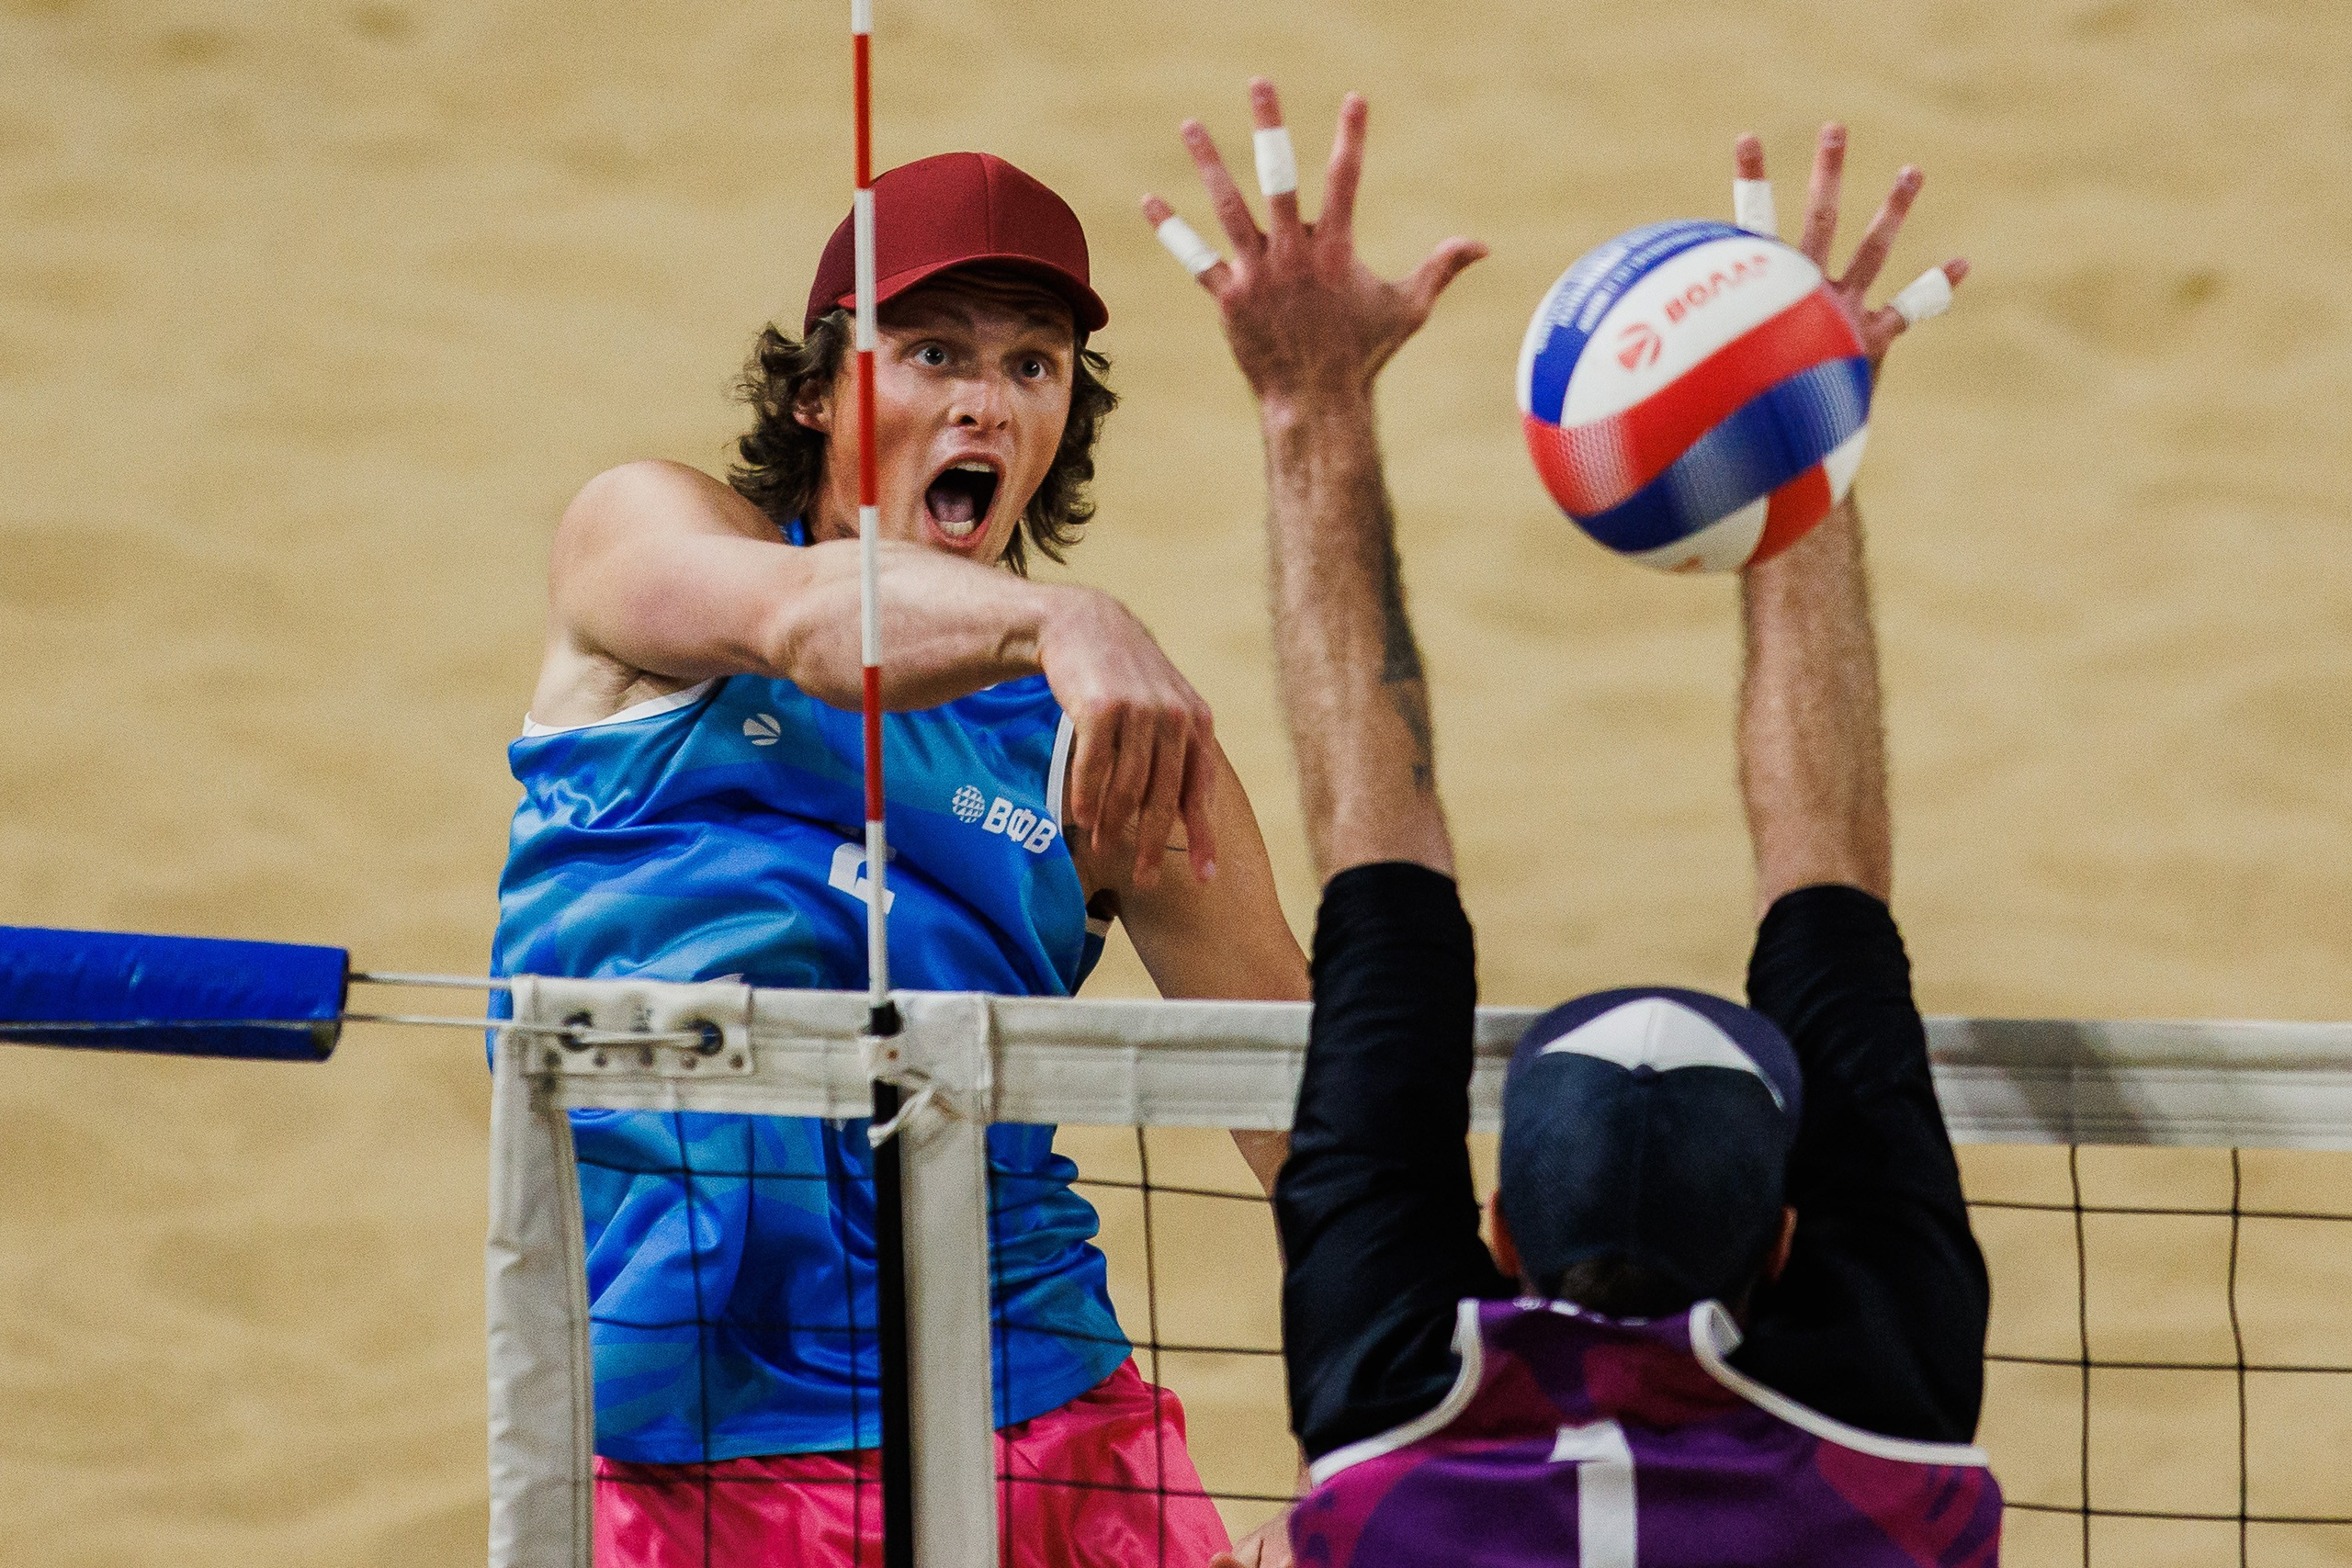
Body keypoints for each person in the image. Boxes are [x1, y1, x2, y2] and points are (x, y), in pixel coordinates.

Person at [1148, 83, 2003, 1564]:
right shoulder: (1884, 1437)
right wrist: (1794, 439)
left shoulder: (1393, 1433)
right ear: (1786, 1247)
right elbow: (1832, 897)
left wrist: (1310, 407)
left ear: (1496, 1241)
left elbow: (1380, 879)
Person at [494, 151, 1306, 1568]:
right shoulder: (653, 543)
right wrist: (1065, 619)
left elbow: (1303, 1101)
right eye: (933, 352)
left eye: (1034, 364)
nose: (988, 398)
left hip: (1038, 1399)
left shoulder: (1103, 735)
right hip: (701, 1425)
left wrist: (1445, 1393)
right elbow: (814, 619)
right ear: (817, 390)